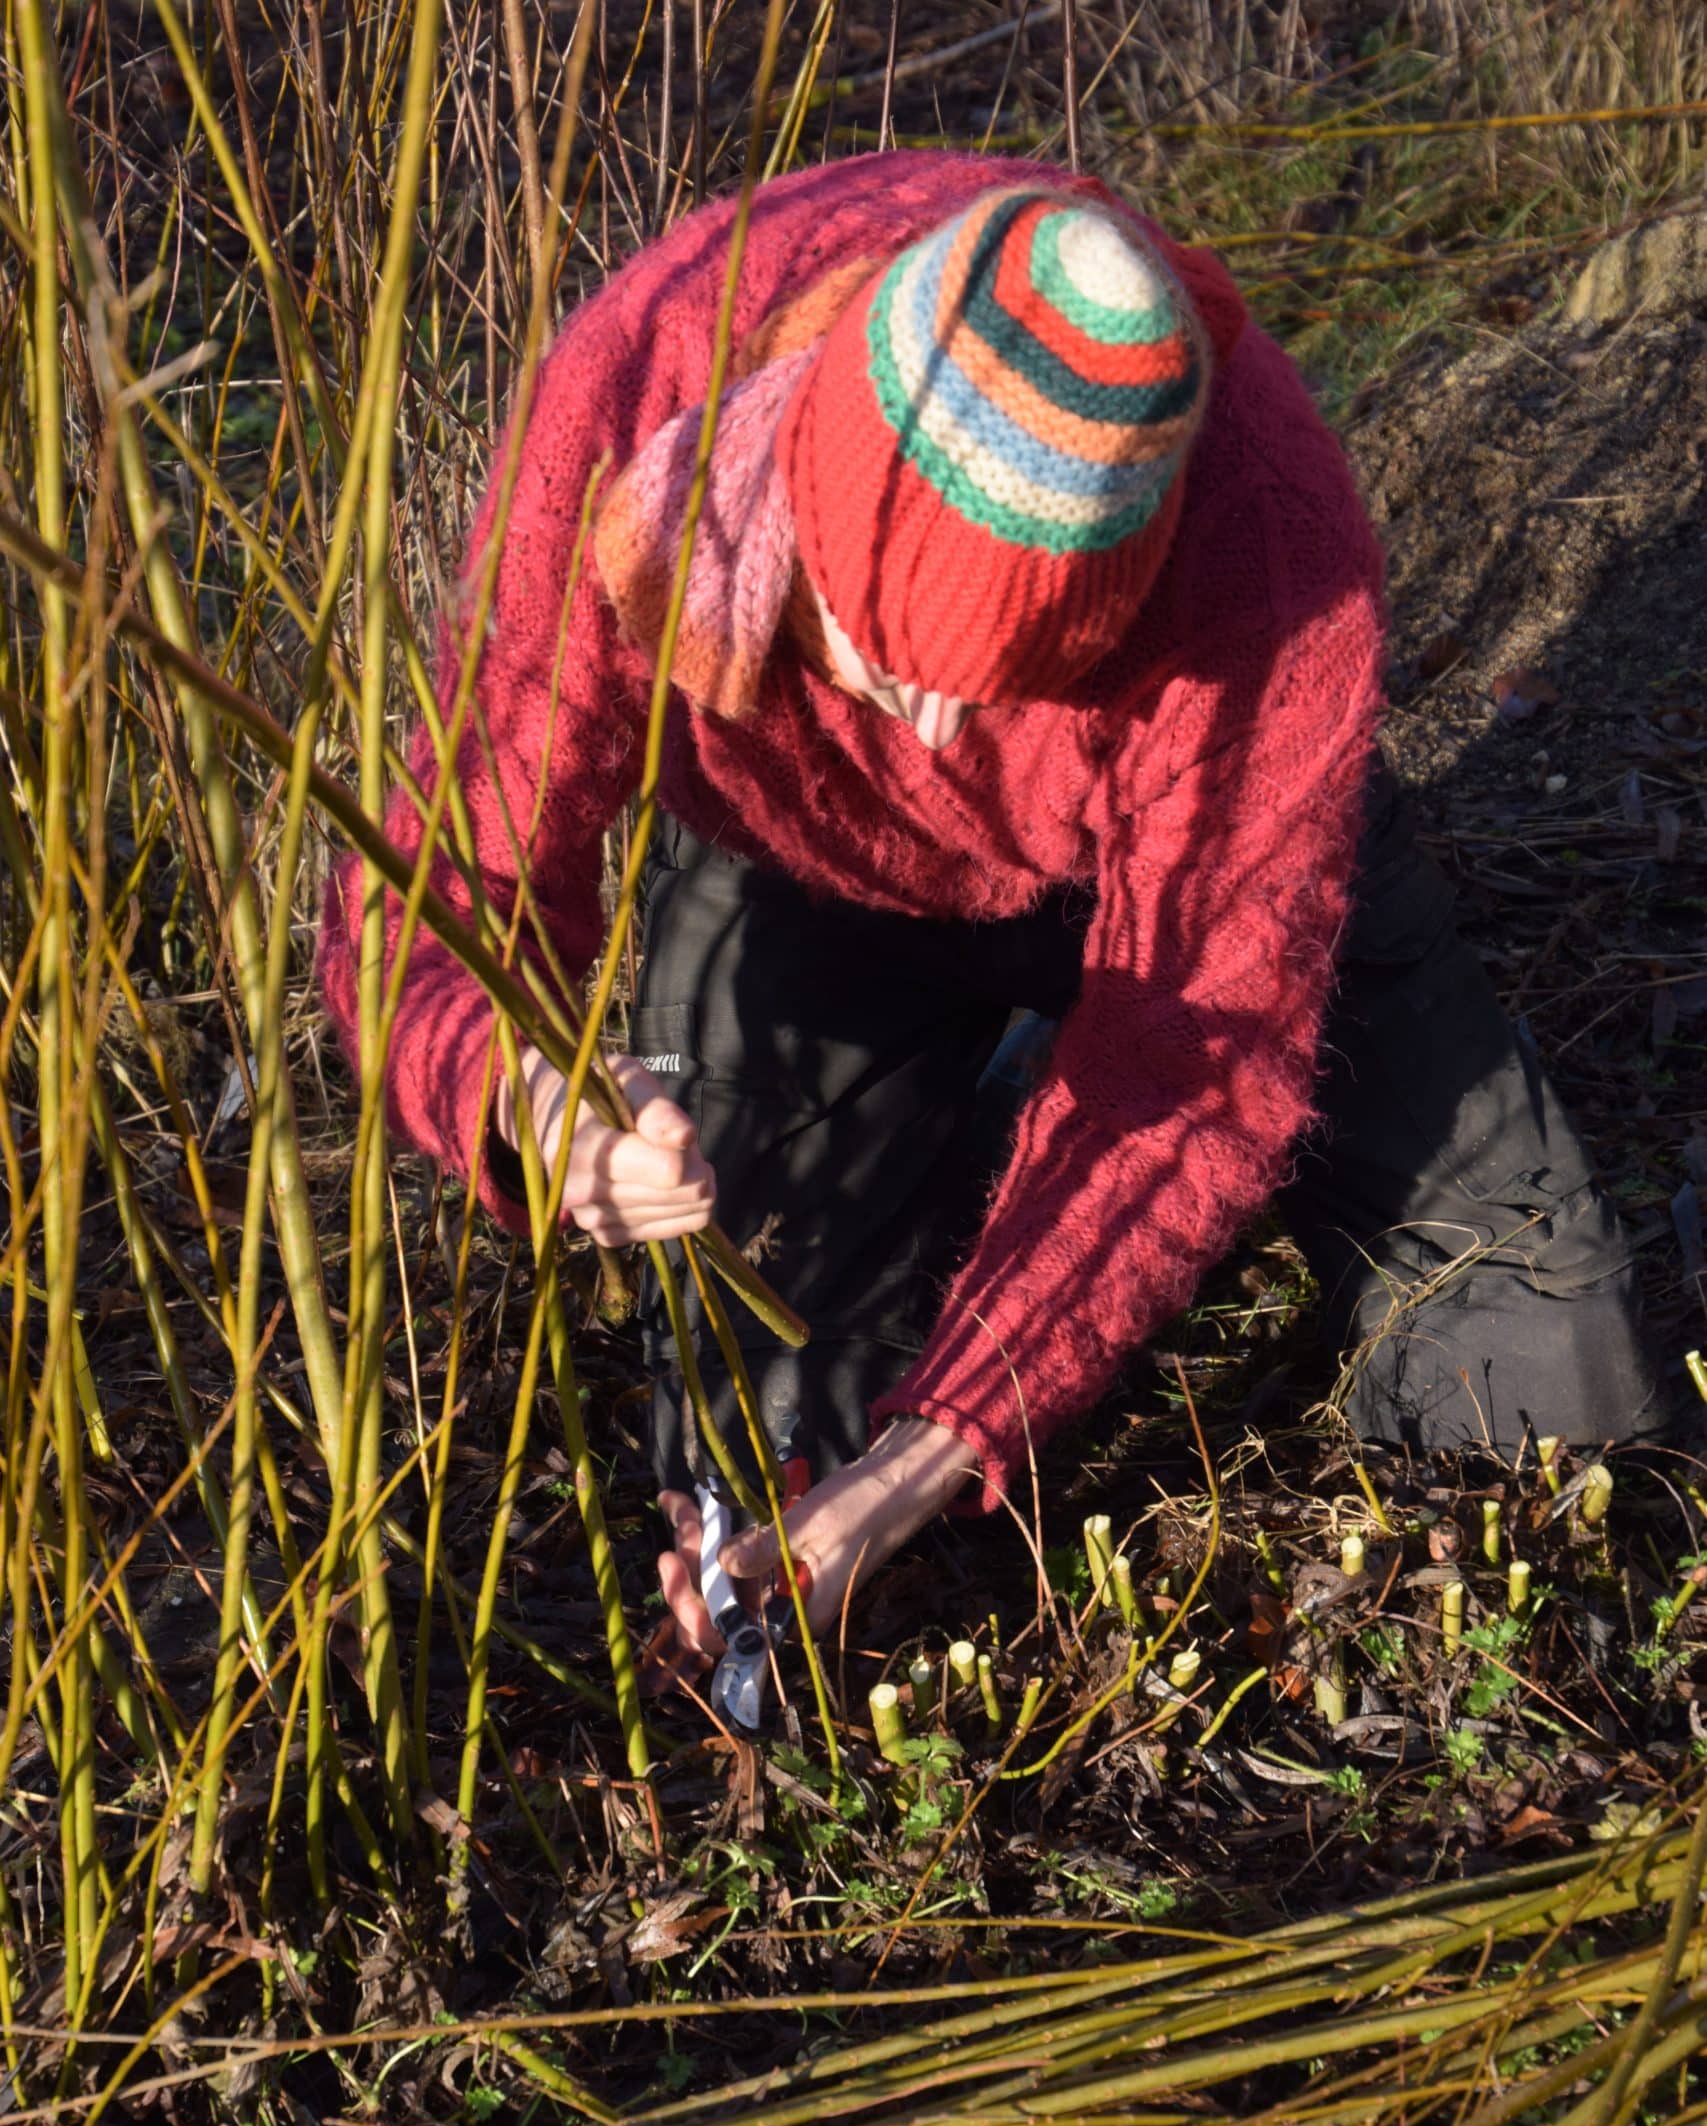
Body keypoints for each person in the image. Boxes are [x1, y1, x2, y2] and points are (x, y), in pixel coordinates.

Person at [320, 152, 1667, 1665]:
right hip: (810, 871)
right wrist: (525, 1089)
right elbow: (426, 894)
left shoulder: (1267, 549)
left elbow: (1189, 1075)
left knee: (1552, 1390)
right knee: (763, 1446)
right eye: (879, 658)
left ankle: (1042, 1117)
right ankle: (1006, 1112)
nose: (940, 732)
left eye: (1014, 683)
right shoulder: (637, 395)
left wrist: (936, 1450)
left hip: (1177, 881)